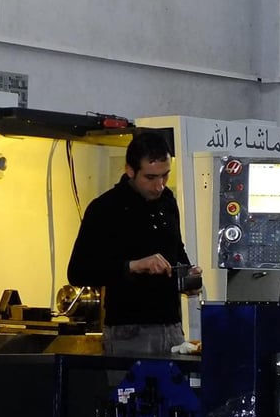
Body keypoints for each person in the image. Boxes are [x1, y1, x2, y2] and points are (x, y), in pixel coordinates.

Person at [67, 130, 201, 356]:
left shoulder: (167, 202)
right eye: (150, 177)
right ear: (129, 170)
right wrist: (133, 265)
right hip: (128, 332)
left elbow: (176, 249)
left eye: (165, 175)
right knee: (132, 392)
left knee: (175, 392)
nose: (159, 185)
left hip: (172, 328)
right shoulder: (105, 209)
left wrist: (188, 274)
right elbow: (78, 271)